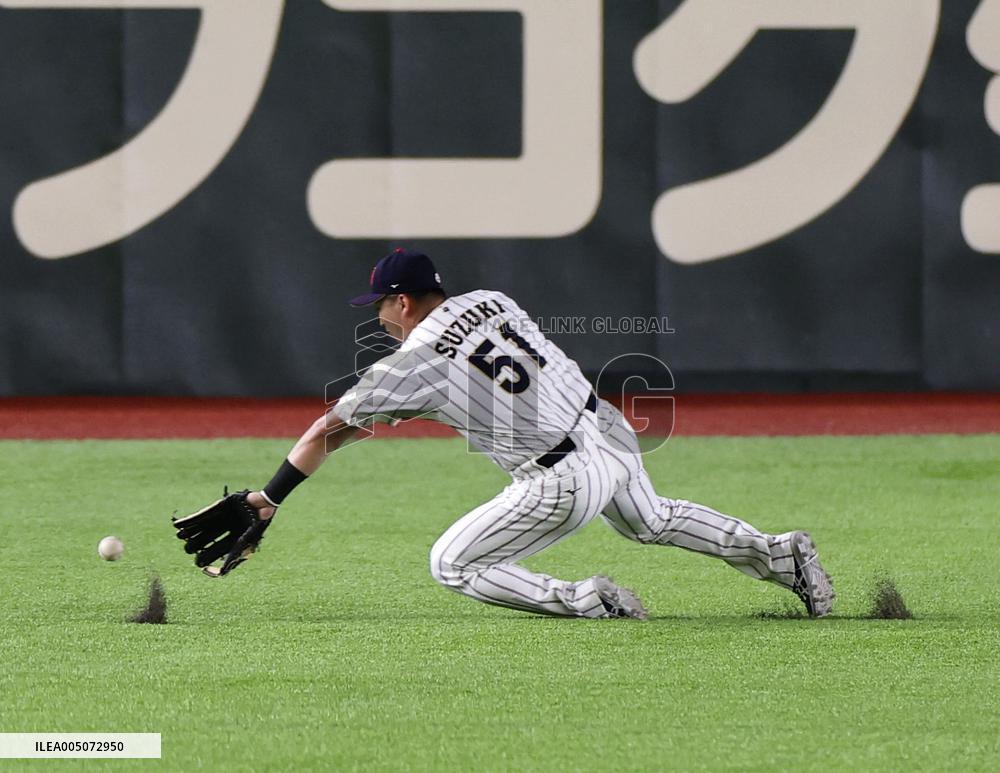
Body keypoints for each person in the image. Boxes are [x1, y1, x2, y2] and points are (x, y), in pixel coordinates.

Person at [243, 248, 835, 619]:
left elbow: (327, 429)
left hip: (563, 477)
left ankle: (585, 599)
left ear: (403, 302)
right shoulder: (494, 300)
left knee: (452, 565)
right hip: (610, 430)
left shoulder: (411, 362)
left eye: (380, 305)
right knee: (651, 519)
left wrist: (270, 497)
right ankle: (778, 556)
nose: (376, 317)